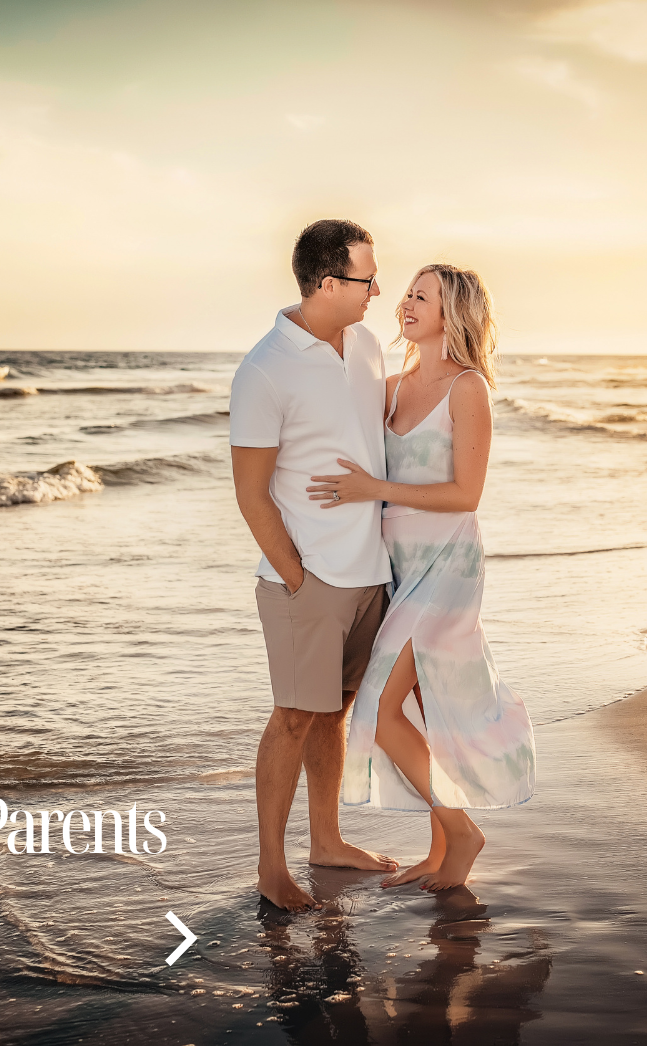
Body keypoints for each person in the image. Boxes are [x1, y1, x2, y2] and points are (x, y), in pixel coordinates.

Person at [306, 264, 536, 891]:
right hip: (398, 568)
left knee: (379, 708)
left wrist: (372, 488)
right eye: (406, 292)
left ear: (452, 312)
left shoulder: (469, 389)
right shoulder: (394, 383)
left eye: (422, 296)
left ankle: (460, 830)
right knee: (426, 707)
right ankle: (440, 855)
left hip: (449, 565)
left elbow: (467, 493)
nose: (405, 302)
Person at [230, 219, 400, 913]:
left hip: (371, 573)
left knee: (335, 714)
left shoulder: (363, 344)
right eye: (366, 278)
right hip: (310, 580)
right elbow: (250, 492)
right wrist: (297, 577)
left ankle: (326, 841)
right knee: (294, 718)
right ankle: (272, 865)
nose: (378, 290)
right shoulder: (266, 367)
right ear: (328, 283)